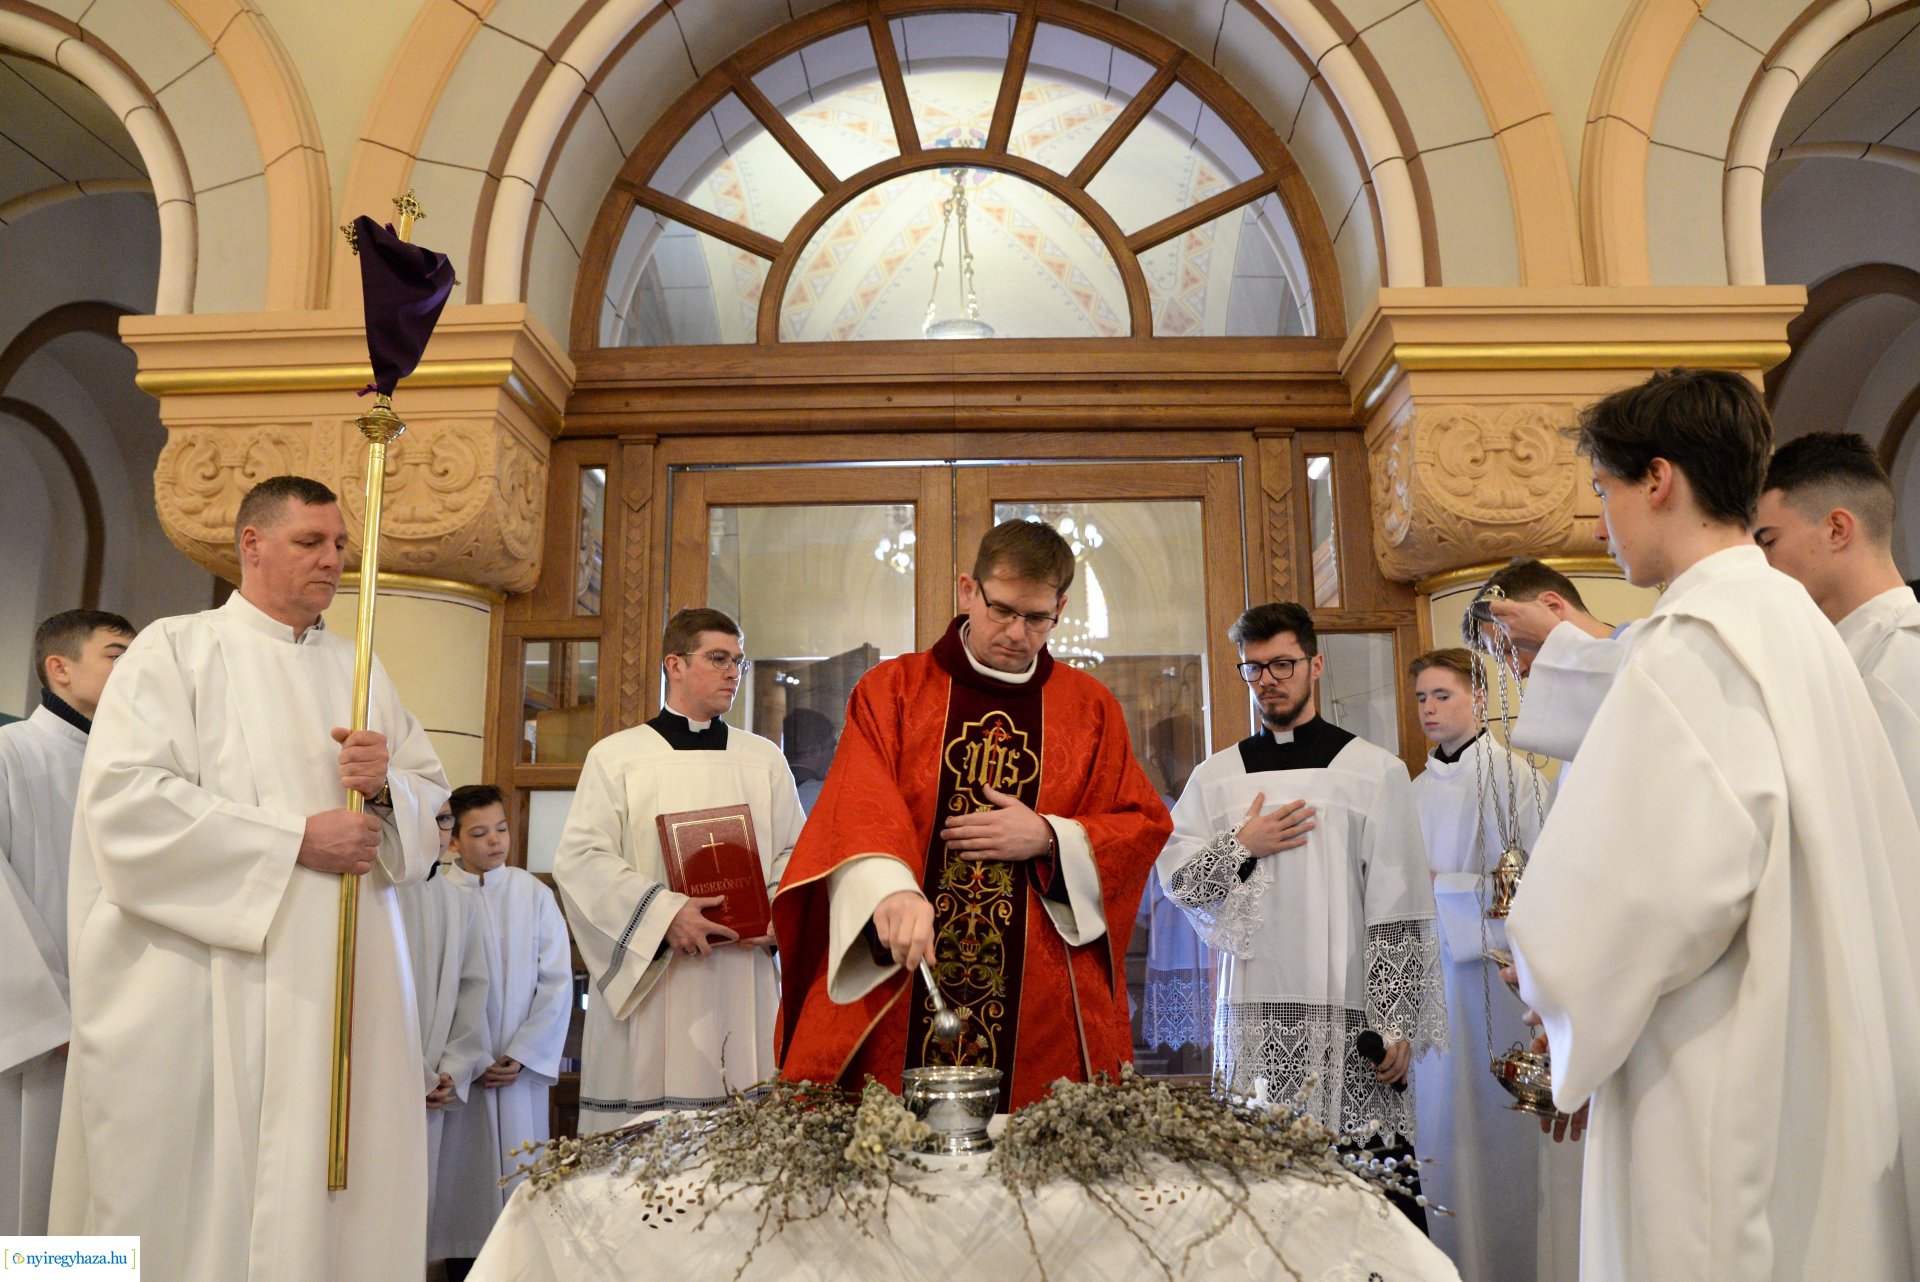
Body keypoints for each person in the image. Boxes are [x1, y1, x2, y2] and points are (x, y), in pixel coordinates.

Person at [1505, 369, 1920, 1281]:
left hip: (1719, 1061)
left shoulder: (1695, 640)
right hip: (1818, 1045)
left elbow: (1644, 894)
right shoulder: (1790, 621)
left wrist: (1554, 987)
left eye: (1604, 492)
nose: (1603, 523)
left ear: (1658, 481)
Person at [48, 475, 448, 1282]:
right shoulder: (176, 648)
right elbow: (126, 807)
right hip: (203, 990)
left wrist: (384, 790)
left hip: (343, 994)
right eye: (311, 543)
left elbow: (429, 813)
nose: (333, 561)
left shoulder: (363, 668)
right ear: (252, 546)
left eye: (340, 546)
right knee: (167, 1200)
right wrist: (294, 838)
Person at [774, 520, 1172, 1110]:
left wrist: (1048, 837)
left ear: (1061, 608)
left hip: (1037, 1001)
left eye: (1037, 618)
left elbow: (1142, 825)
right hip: (907, 976)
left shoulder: (1090, 709)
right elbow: (857, 805)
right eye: (1002, 610)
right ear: (967, 590)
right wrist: (888, 891)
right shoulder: (893, 691)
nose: (1016, 633)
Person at [1156, 602, 1445, 1228]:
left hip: (1348, 1015)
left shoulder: (1373, 771)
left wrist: (1396, 1020)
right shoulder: (1216, 776)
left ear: (1315, 665)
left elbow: (1398, 903)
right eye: (1254, 668)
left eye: (1283, 663)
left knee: (1367, 1207)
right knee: (1263, 1204)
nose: (1269, 680)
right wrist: (1242, 845)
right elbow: (1176, 880)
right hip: (1254, 1014)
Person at [552, 608, 804, 1129]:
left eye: (738, 661)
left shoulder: (764, 759)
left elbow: (795, 851)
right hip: (657, 981)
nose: (733, 672)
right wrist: (665, 915)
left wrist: (777, 909)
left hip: (742, 975)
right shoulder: (616, 757)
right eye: (718, 659)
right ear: (675, 664)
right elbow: (581, 860)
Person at [1407, 647, 1545, 1279]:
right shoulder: (1410, 790)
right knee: (1441, 1131)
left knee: (1501, 1142)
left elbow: (1533, 887)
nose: (1430, 710)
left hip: (1494, 984)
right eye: (1422, 699)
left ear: (1478, 698)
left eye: (1443, 695)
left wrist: (1441, 887)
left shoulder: (1515, 779)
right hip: (1430, 985)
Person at [1, 609, 133, 1234]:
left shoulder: (136, 771)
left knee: (111, 1203)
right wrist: (49, 1013)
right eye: (116, 655)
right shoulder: (9, 755)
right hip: (46, 1037)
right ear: (59, 668)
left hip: (132, 1025)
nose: (133, 670)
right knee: (39, 1202)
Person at [437, 784, 571, 1279]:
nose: (496, 841)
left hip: (516, 1075)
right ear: (453, 840)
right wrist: (454, 1063)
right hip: (459, 1080)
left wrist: (522, 1053)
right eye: (479, 832)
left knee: (518, 1196)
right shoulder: (436, 893)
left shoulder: (532, 893)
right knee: (460, 1198)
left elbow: (556, 981)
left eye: (502, 828)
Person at [1754, 431, 1920, 809]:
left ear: (1837, 529)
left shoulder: (1897, 666)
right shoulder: (1850, 655)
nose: (1761, 563)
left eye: (1769, 541)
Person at [393, 799, 492, 1272]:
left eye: (445, 820)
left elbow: (474, 989)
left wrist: (452, 1068)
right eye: (428, 817)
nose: (437, 829)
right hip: (382, 1085)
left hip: (434, 1092)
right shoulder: (377, 890)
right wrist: (406, 1072)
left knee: (416, 1219)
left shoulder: (459, 902)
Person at [1469, 559, 1622, 764]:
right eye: (1502, 658)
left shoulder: (1649, 654)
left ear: (1552, 607)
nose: (1517, 671)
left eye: (1514, 647)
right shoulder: (1573, 703)